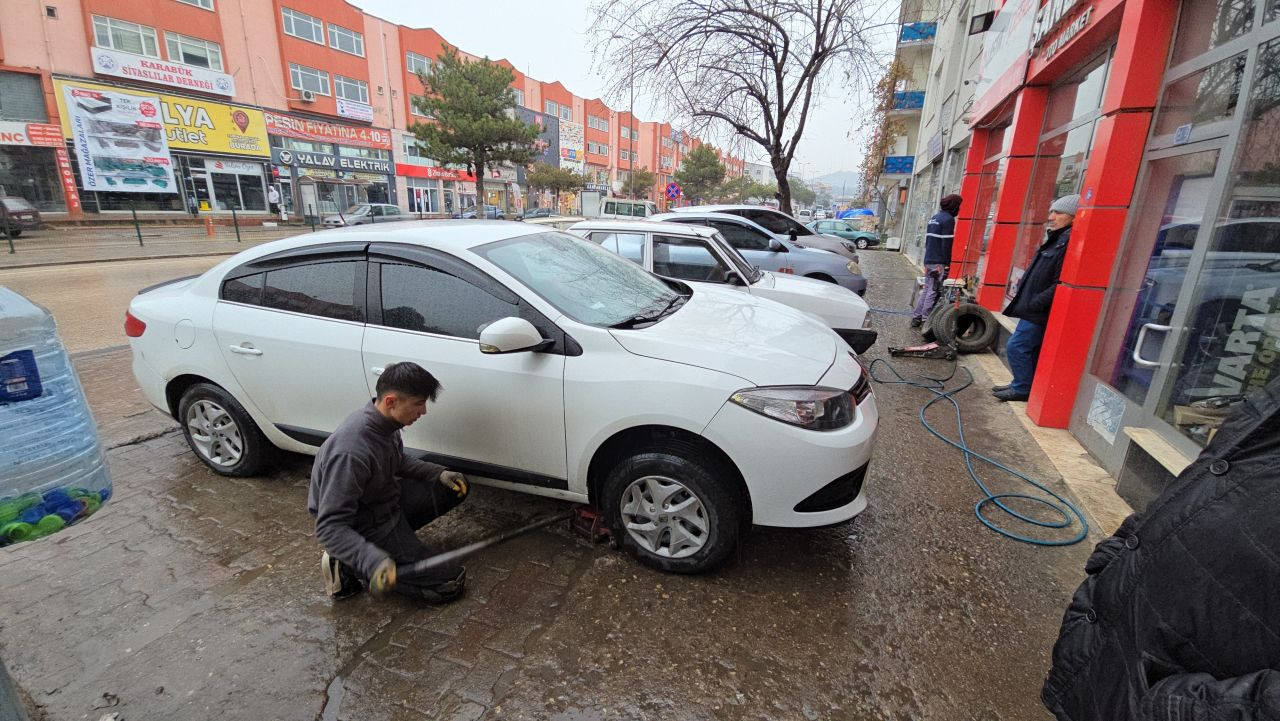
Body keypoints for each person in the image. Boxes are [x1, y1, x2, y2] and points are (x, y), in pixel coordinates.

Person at [1042, 377, 1280, 721]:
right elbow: (1199, 484)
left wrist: (1179, 708)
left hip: (1158, 699)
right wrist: (1112, 563)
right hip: (1107, 665)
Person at [308, 362, 470, 602]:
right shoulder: (350, 452)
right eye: (418, 404)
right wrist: (373, 561)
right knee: (449, 583)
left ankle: (390, 547)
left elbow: (396, 461)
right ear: (391, 401)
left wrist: (437, 473)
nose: (423, 411)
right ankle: (351, 563)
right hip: (363, 523)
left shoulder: (386, 424)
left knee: (453, 487)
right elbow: (329, 526)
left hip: (386, 504)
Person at [993, 193, 1078, 402]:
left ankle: (1022, 388)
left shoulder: (1067, 242)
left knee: (1016, 346)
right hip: (1034, 307)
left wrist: (1035, 302)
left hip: (1039, 309)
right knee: (1025, 347)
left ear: (1073, 217)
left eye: (1058, 212)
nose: (1051, 216)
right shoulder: (1058, 239)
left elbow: (1061, 282)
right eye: (1052, 211)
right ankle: (1020, 384)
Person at [911, 194, 963, 328]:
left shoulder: (934, 218)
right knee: (933, 291)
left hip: (929, 259)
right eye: (959, 206)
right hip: (938, 261)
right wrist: (947, 264)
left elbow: (928, 241)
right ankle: (925, 320)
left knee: (927, 289)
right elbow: (947, 244)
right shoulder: (948, 220)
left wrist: (926, 260)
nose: (960, 209)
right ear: (954, 206)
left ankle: (917, 317)